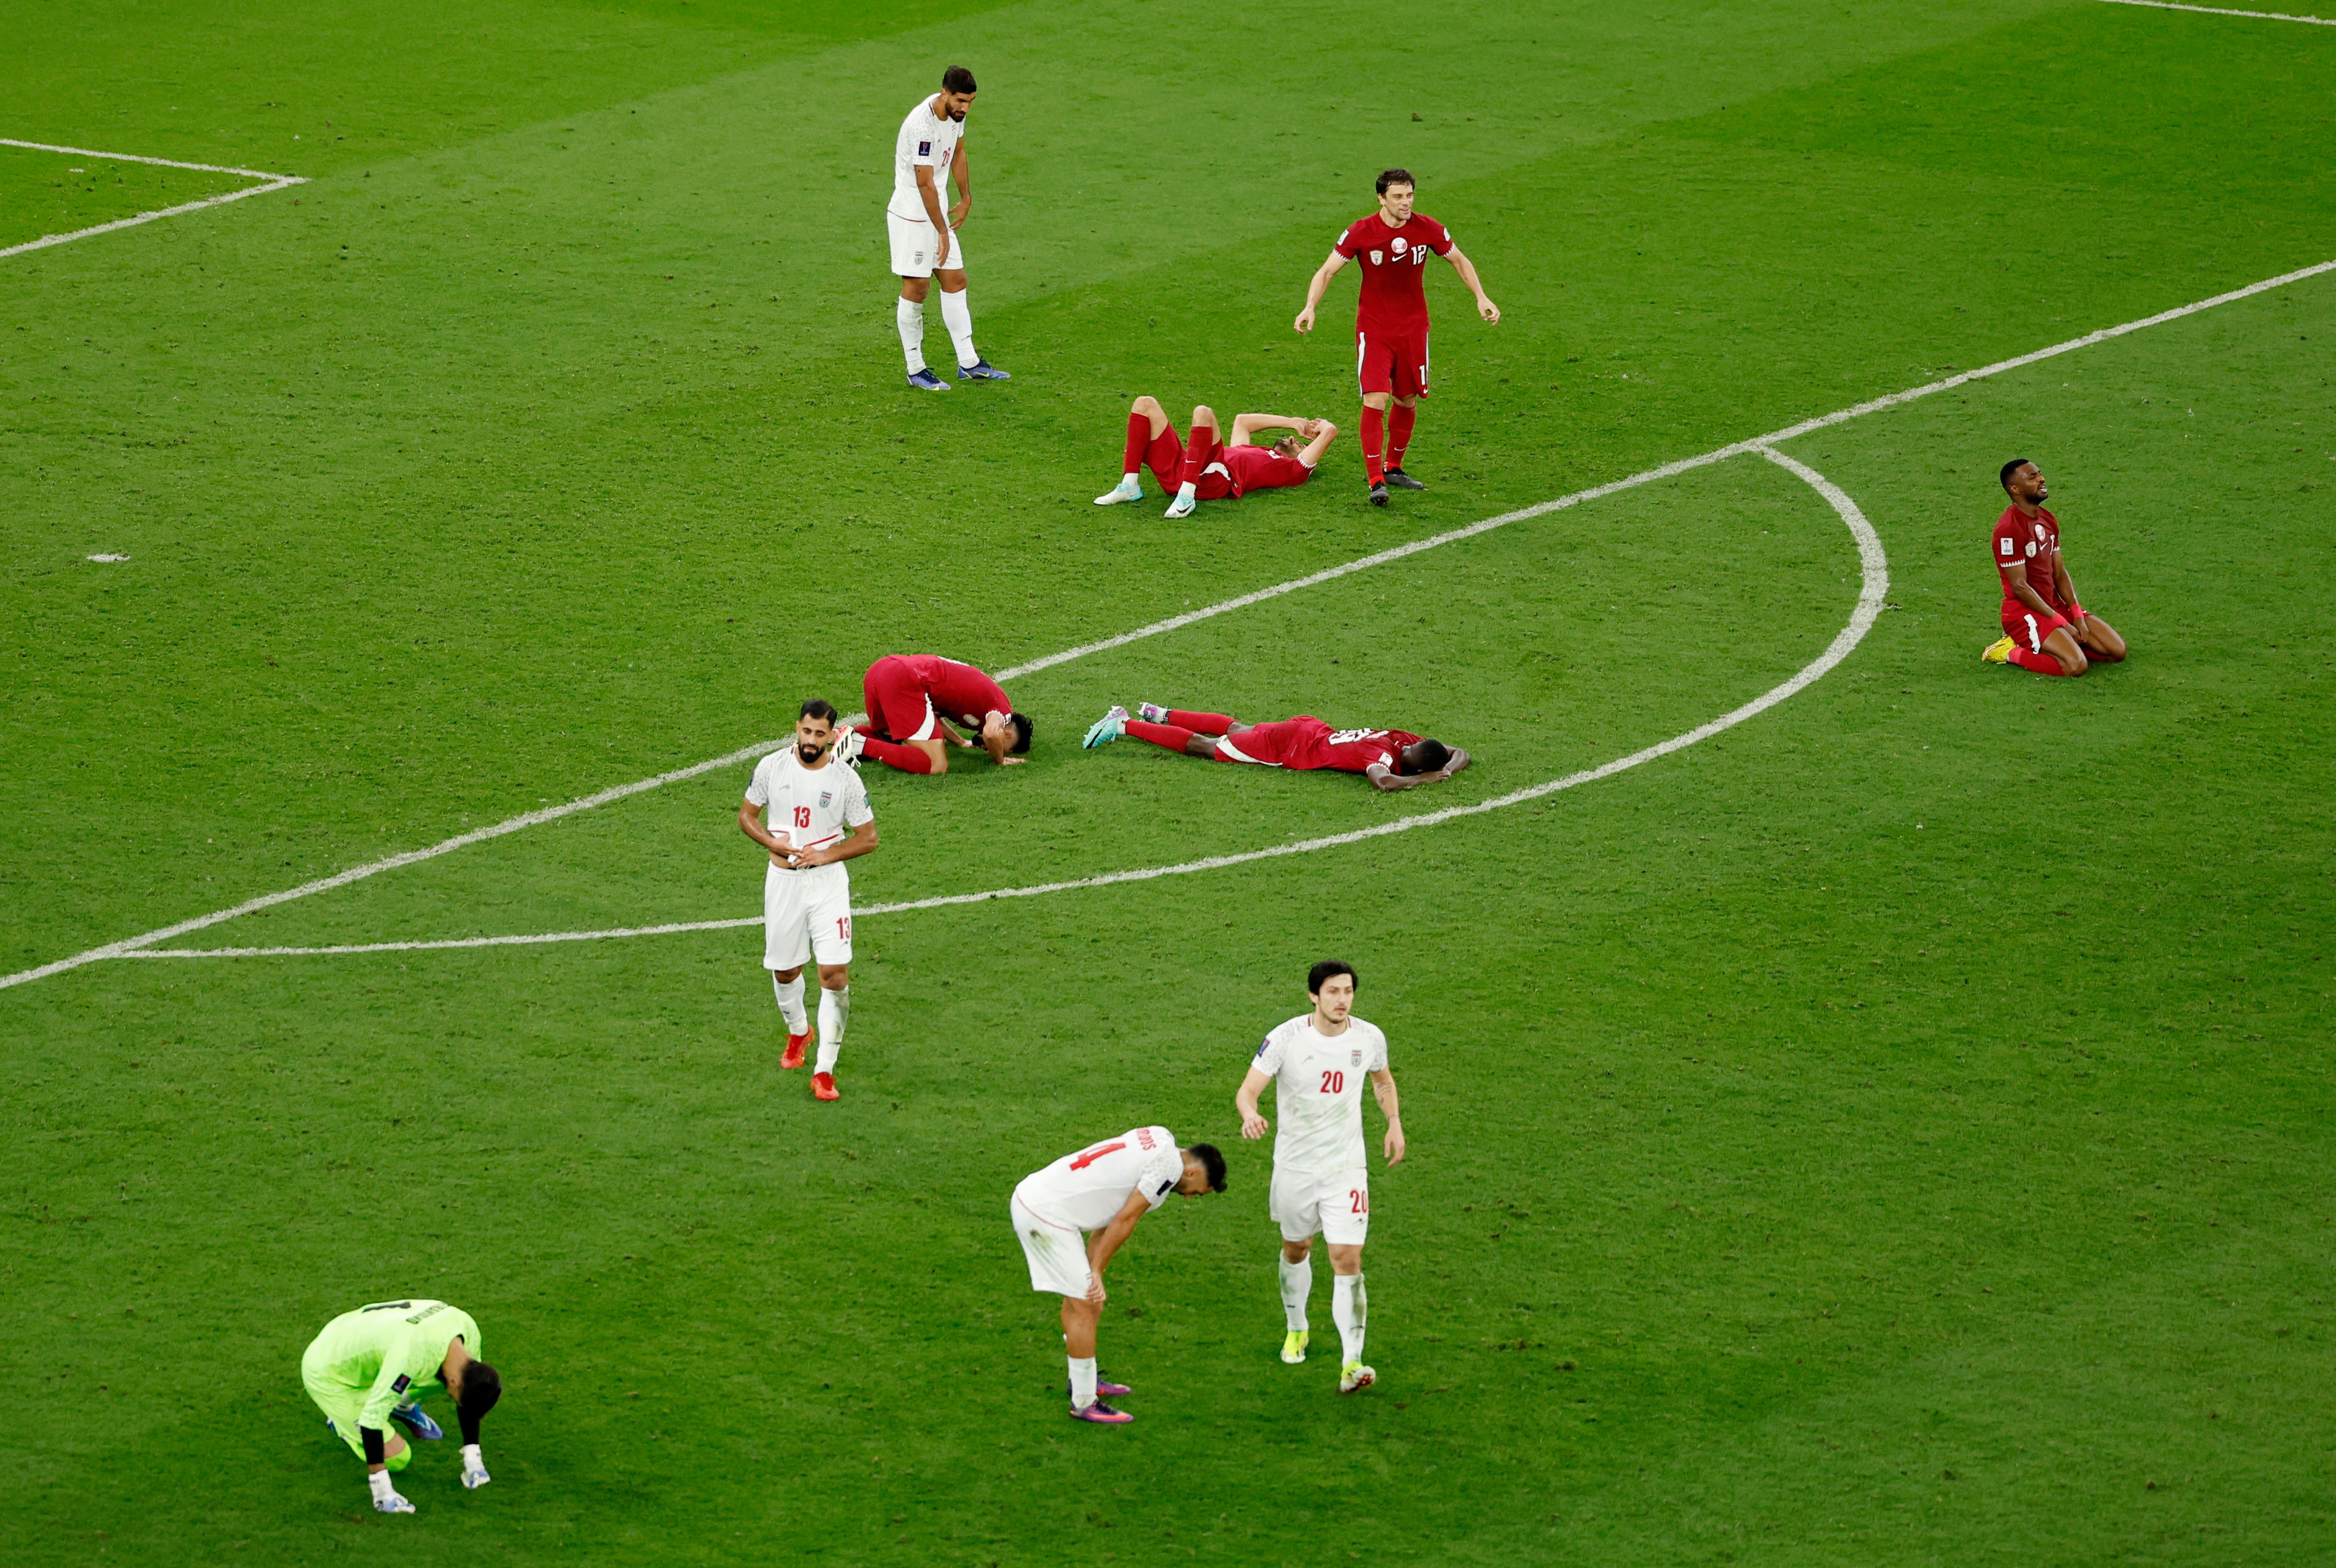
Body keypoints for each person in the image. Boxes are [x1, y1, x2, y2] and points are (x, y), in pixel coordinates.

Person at [1234, 963, 1404, 1393]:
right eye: (1332, 992)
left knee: (1347, 1258)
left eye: (1347, 991)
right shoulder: (1285, 1038)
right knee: (1297, 1247)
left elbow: (1381, 1079)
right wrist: (1250, 1113)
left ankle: (1352, 1362)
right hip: (1295, 1167)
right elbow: (1247, 1090)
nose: (1342, 1000)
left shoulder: (1368, 1037)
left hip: (1345, 1167)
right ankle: (1297, 1326)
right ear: (1313, 996)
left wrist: (1393, 1121)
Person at [1294, 168, 1499, 505]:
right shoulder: (1361, 232)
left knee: (1406, 399)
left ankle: (1394, 467)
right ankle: (1376, 480)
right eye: (1398, 197)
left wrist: (1481, 296)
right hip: (1374, 330)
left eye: (1410, 196)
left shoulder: (1428, 228)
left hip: (1414, 330)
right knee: (1376, 399)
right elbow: (1327, 271)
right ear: (1381, 198)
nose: (1406, 203)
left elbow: (1459, 261)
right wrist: (1310, 307)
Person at [1010, 1127, 1226, 1423]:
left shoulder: (1161, 1137)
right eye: (1198, 1191)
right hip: (1043, 1213)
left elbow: (1110, 1217)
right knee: (1086, 1303)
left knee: (1087, 1301)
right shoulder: (1169, 1169)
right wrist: (1095, 1271)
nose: (1190, 1197)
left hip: (1042, 1199)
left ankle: (1083, 1380)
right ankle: (1084, 1402)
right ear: (1191, 1174)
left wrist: (1092, 1270)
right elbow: (1126, 1219)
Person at [739, 700, 878, 1099]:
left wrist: (824, 854)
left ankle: (824, 1071)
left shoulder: (845, 780)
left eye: (820, 734)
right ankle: (800, 1031)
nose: (811, 741)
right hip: (782, 884)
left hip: (827, 884)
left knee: (833, 974)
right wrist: (771, 841)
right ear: (796, 729)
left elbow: (868, 837)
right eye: (806, 732)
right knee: (785, 971)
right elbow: (747, 816)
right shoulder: (772, 767)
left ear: (832, 736)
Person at [300, 1298, 501, 1514]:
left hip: (355, 1333)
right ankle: (343, 1426)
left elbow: (470, 1386)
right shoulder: (411, 1356)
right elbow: (371, 1420)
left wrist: (474, 1462)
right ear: (456, 1383)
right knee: (398, 1457)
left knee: (434, 1377)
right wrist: (383, 1493)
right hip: (329, 1372)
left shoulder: (467, 1331)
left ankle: (401, 1406)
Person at [888, 65, 1007, 391]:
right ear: (944, 93)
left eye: (970, 102)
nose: (965, 108)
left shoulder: (956, 117)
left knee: (955, 280)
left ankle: (968, 363)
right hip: (913, 214)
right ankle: (915, 369)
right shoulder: (921, 126)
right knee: (918, 288)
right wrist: (942, 230)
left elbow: (958, 153)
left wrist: (966, 196)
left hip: (935, 210)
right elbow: (924, 183)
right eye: (959, 101)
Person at [1080, 701, 1469, 792]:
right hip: (1293, 750)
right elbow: (1383, 783)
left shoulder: (1398, 737)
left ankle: (1158, 713)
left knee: (1239, 728)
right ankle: (1124, 722)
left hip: (1307, 728)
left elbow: (1459, 750)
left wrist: (1450, 765)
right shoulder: (1381, 756)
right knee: (1210, 747)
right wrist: (1433, 778)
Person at [1982, 459, 2129, 675]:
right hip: (2025, 614)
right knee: (2076, 666)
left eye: (2039, 474)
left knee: (2116, 651)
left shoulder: (2047, 519)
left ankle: (2059, 645)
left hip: (2054, 606)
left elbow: (2059, 572)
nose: (2041, 479)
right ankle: (2008, 651)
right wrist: (2061, 623)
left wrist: (2076, 614)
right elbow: (2020, 587)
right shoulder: (2009, 529)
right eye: (2032, 477)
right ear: (2015, 489)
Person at [1092, 395, 1337, 518]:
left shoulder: (1293, 471)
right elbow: (1243, 421)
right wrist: (1293, 422)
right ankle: (1130, 486)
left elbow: (1331, 433)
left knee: (1203, 413)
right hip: (1187, 468)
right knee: (1144, 404)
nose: (1294, 440)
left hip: (1213, 480)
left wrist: (1323, 426)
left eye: (1302, 446)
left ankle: (1187, 499)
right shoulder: (1257, 452)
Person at [839, 653, 1031, 775]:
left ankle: (830, 736)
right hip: (904, 679)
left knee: (888, 737)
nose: (990, 749)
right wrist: (1000, 760)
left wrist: (960, 742)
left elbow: (931, 715)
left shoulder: (986, 704)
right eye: (1002, 747)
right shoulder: (1004, 712)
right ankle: (858, 745)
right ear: (1007, 735)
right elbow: (991, 734)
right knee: (937, 765)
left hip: (882, 669)